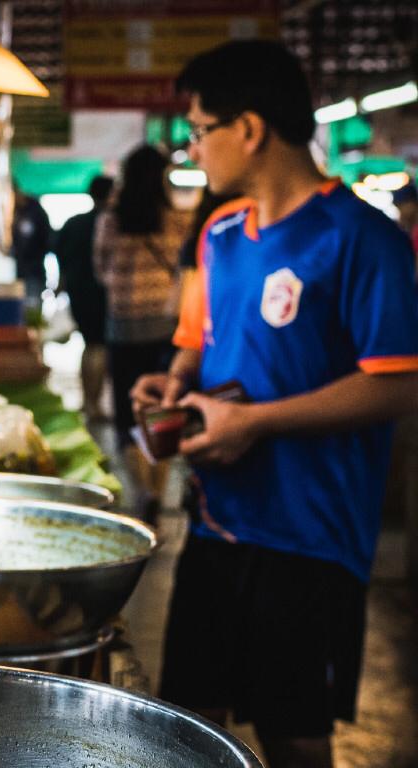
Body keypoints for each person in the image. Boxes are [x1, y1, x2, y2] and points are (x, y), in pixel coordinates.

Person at [130, 41, 418, 768]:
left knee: (294, 735)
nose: (193, 149)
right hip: (218, 522)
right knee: (190, 722)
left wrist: (257, 422)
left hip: (311, 539)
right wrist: (174, 380)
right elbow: (200, 341)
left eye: (199, 130)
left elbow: (398, 381)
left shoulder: (363, 239)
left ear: (250, 128)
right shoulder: (222, 236)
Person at [93, 145, 190, 521]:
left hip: (123, 328)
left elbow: (100, 270)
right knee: (162, 412)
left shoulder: (110, 219)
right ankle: (157, 488)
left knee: (126, 414)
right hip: (166, 328)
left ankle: (140, 491)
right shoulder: (178, 219)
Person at [54, 175, 114, 421]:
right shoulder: (111, 223)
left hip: (78, 292)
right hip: (101, 294)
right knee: (97, 347)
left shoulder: (73, 223)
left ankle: (88, 401)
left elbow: (59, 256)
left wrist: (61, 284)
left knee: (90, 346)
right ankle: (93, 404)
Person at [11, 186, 52, 304]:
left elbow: (47, 242)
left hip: (34, 272)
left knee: (32, 308)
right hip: (21, 272)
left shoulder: (37, 213)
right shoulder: (19, 211)